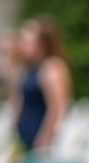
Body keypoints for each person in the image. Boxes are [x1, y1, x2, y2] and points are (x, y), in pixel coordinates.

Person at [13, 16, 72, 152]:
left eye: (28, 42)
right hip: (24, 133)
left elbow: (56, 108)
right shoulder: (27, 68)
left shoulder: (52, 67)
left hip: (41, 136)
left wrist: (45, 138)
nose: (23, 46)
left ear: (42, 43)